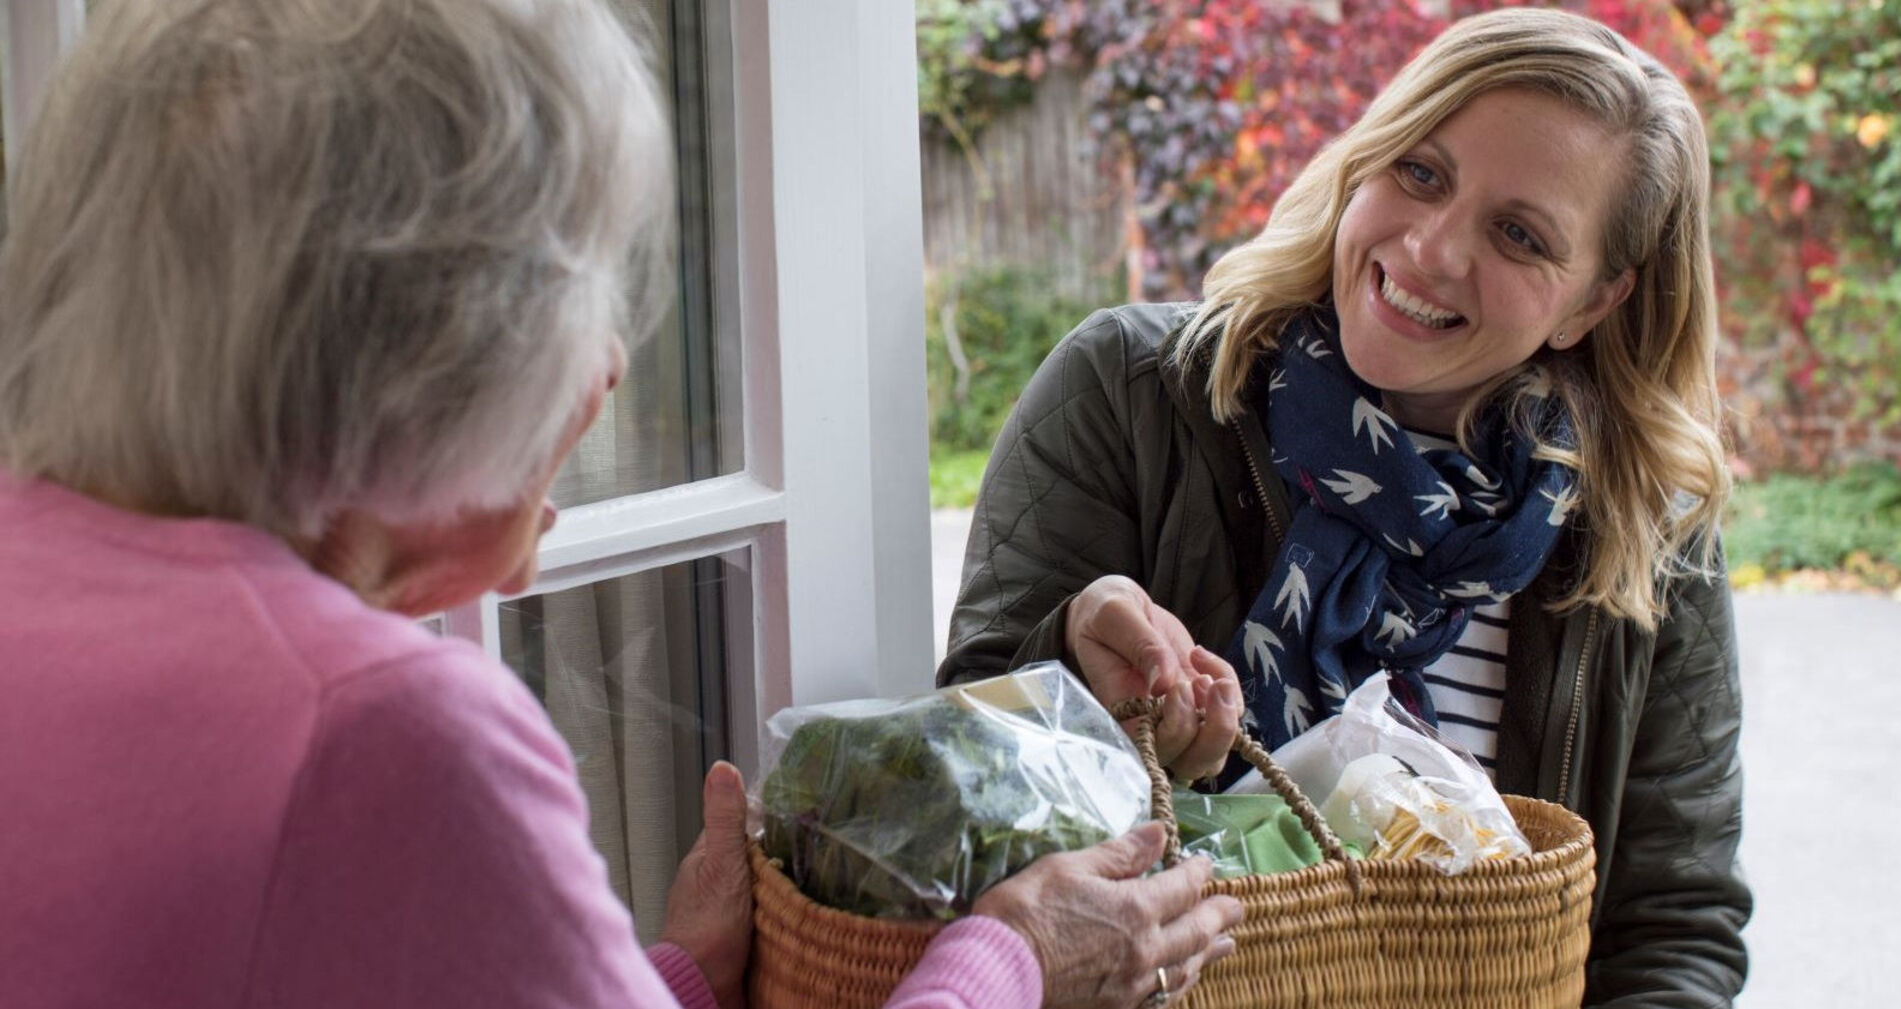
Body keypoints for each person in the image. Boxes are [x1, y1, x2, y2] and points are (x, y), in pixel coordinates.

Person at [0, 2, 1241, 1008]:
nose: (608, 365)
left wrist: (677, 976)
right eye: (585, 279)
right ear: (430, 342)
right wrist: (1013, 960)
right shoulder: (390, 737)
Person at [939, 8, 1750, 1007]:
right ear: (1366, 159)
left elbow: (1674, 926)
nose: (1432, 249)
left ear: (1593, 302)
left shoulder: (1645, 527)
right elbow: (957, 789)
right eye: (1421, 172)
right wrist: (1074, 666)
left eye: (1519, 234)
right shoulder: (1130, 394)